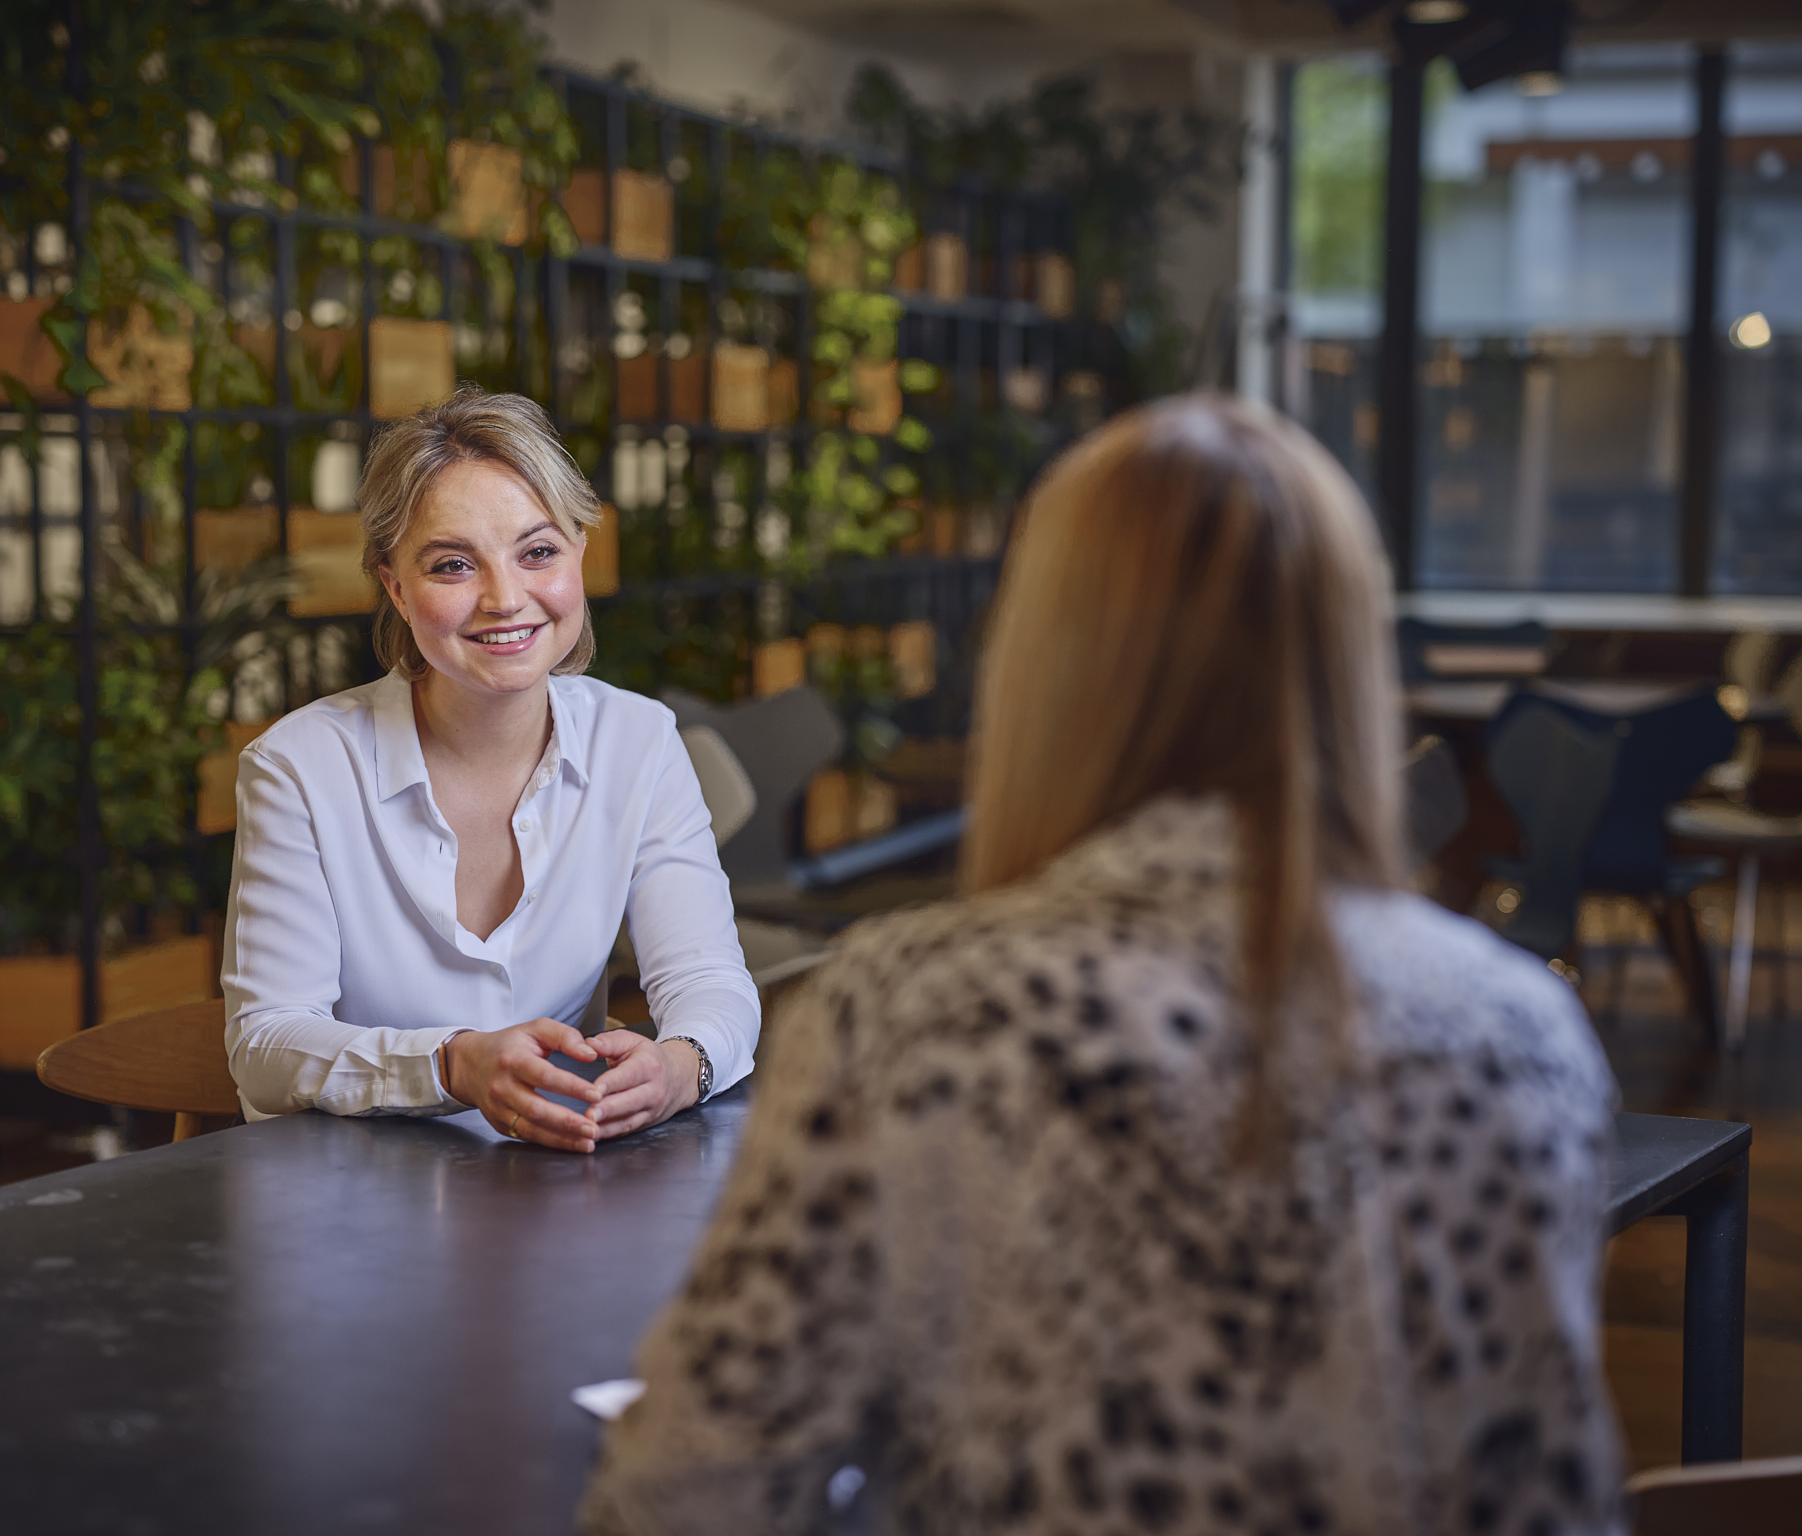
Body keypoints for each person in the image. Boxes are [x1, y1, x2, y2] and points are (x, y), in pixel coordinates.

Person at [581, 396, 1623, 1534]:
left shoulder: (909, 1014)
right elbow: (1547, 1496)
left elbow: (690, 1493)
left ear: (1043, 662)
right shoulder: (1521, 1034)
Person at [222, 387, 759, 1151]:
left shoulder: (638, 740)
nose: (506, 599)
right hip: (351, 1207)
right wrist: (448, 1066)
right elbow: (266, 1047)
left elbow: (710, 982)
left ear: (577, 552)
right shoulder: (298, 768)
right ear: (395, 589)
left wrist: (683, 1065)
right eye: (452, 565)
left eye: (537, 552)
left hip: (565, 1190)